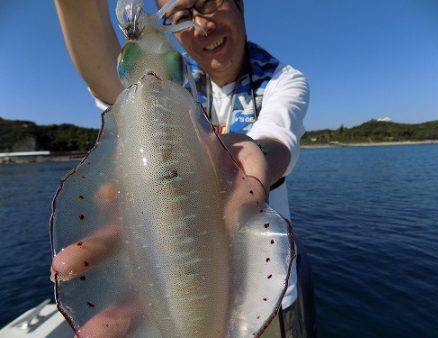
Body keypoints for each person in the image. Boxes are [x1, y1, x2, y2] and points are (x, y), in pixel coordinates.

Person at [52, 0, 315, 337]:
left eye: (209, 3)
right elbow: (109, 81)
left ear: (240, 5)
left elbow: (277, 140)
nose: (203, 25)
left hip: (272, 289)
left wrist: (250, 160)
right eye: (182, 17)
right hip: (171, 279)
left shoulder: (282, 79)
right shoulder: (174, 79)